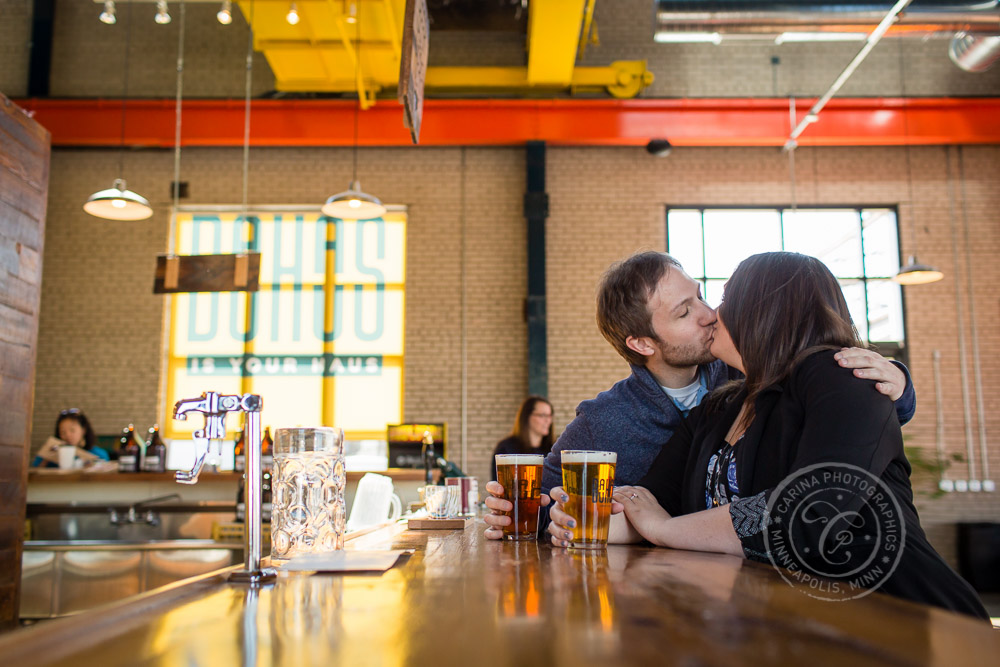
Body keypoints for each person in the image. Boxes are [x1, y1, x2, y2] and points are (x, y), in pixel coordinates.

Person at [544, 252, 988, 620]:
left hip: (903, 619)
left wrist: (663, 528)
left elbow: (807, 513)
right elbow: (646, 499)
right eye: (689, 309)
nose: (712, 314)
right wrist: (581, 523)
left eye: (723, 299)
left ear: (767, 312)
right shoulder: (719, 406)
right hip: (782, 619)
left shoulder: (839, 376)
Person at [484, 251, 915, 539]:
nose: (710, 314)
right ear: (644, 344)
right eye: (684, 311)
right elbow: (627, 503)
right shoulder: (693, 411)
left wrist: (896, 384)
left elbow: (812, 495)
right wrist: (536, 517)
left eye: (703, 296)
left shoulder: (754, 377)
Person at [490, 396, 555, 481]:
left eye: (550, 416)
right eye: (542, 415)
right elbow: (498, 482)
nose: (548, 421)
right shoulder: (506, 447)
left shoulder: (553, 449)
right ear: (527, 417)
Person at [32, 408, 110, 468]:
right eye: (63, 432)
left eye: (72, 430)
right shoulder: (52, 453)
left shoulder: (99, 455)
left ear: (83, 430)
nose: (68, 435)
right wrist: (46, 458)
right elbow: (33, 473)